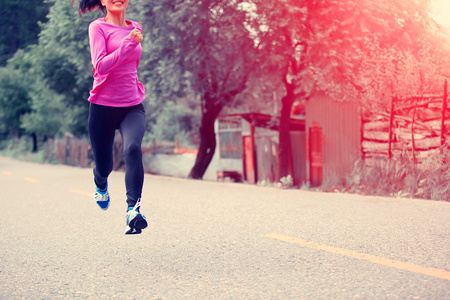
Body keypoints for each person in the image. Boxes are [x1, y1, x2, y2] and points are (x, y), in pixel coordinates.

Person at [73, 0, 148, 234]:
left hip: (132, 105)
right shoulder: (98, 28)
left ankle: (133, 210)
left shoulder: (134, 27)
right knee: (105, 166)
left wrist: (130, 40)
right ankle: (100, 182)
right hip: (102, 108)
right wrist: (128, 43)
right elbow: (100, 67)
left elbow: (130, 65)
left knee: (133, 149)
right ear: (103, 1)